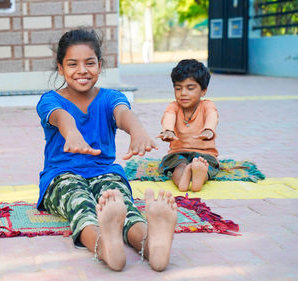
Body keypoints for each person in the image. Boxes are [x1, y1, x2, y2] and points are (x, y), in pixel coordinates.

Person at [36, 28, 177, 272]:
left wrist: (137, 131)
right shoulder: (50, 100)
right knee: (80, 204)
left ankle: (152, 244)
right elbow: (62, 118)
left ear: (99, 65)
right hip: (61, 176)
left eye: (89, 63)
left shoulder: (111, 97)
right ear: (60, 68)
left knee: (124, 207)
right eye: (72, 64)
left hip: (105, 173)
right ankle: (106, 245)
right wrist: (72, 133)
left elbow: (123, 114)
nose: (82, 70)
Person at [157, 59, 219, 192]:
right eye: (178, 88)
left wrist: (209, 129)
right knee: (179, 166)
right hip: (178, 153)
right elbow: (169, 116)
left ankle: (199, 177)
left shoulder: (207, 105)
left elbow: (212, 115)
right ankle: (183, 180)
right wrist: (168, 130)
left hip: (205, 154)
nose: (183, 93)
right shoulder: (173, 106)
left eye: (190, 88)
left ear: (203, 91)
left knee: (205, 166)